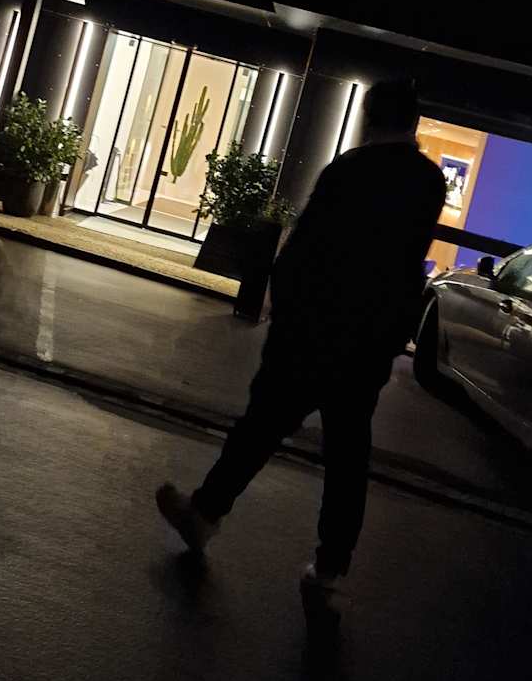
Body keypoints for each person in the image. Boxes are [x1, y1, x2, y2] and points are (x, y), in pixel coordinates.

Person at [156, 75, 446, 616]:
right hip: (368, 342)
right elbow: (407, 266)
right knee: (348, 455)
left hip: (314, 330)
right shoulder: (429, 183)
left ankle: (205, 514)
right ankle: (329, 568)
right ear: (412, 121)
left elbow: (307, 246)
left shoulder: (348, 170)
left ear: (369, 118)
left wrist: (283, 305)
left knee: (261, 426)